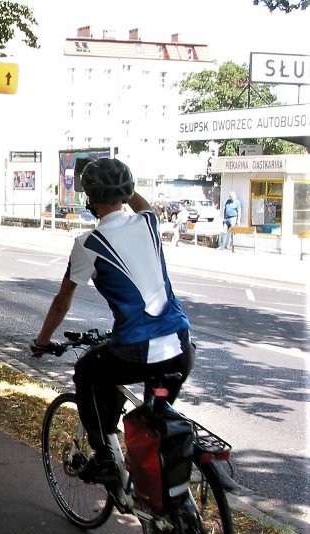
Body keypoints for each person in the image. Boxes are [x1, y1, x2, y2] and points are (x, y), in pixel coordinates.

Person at [30, 158, 195, 485]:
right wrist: (121, 180)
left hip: (136, 350)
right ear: (125, 191)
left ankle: (104, 456)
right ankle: (166, 502)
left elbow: (63, 302)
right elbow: (142, 203)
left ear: (89, 198)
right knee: (154, 426)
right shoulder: (148, 222)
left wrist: (43, 341)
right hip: (180, 345)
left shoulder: (88, 244)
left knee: (88, 373)